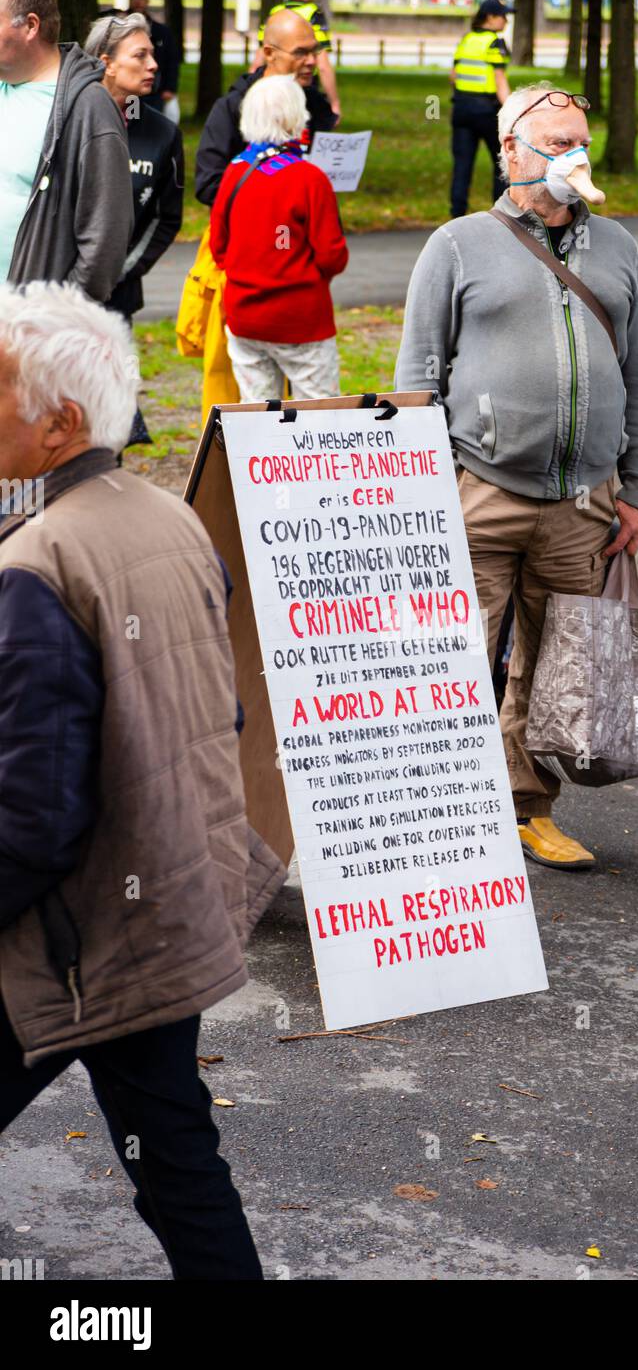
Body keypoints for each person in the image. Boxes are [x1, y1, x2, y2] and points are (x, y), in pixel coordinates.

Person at [0, 280, 286, 1279]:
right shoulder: (166, 517)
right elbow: (216, 712)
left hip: (74, 942)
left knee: (174, 1160)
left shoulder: (38, 560)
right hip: (171, 904)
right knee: (176, 1162)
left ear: (57, 423)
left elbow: (32, 819)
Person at [395, 82, 638, 872]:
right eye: (553, 142)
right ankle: (433, 810)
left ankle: (528, 807)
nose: (570, 156)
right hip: (477, 487)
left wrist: (637, 490)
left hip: (582, 501)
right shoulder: (456, 244)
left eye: (579, 140)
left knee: (553, 669)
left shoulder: (616, 245)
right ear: (509, 151)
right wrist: (424, 483)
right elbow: (418, 374)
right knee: (457, 656)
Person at [210, 74, 347, 402]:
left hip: (245, 319)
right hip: (301, 320)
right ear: (295, 117)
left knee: (257, 416)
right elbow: (332, 255)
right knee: (318, 419)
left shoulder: (235, 171)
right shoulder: (309, 178)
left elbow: (219, 247)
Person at [84, 13, 184, 445]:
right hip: (51, 295)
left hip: (116, 297)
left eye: (153, 55)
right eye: (140, 55)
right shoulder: (68, 118)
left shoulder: (162, 133)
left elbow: (166, 217)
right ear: (106, 61)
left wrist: (117, 271)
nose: (153, 65)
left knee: (111, 416)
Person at [0, 0, 131, 300]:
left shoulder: (89, 107)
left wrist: (56, 318)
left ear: (30, 26)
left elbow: (104, 239)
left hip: (29, 331)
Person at [195, 7, 336, 207]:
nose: (312, 61)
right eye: (300, 53)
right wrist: (275, 198)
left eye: (314, 51)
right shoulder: (233, 107)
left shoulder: (316, 106)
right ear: (269, 53)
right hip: (250, 233)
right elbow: (209, 186)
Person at [450, 0, 512, 219]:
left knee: (462, 165)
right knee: (501, 163)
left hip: (461, 109)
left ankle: (456, 215)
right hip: (487, 111)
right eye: (503, 16)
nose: (506, 20)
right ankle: (501, 215)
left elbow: (453, 76)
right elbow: (500, 81)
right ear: (490, 18)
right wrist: (513, 111)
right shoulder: (496, 42)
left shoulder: (466, 40)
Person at [257, 0, 340, 124]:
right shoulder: (313, 14)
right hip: (304, 91)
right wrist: (334, 104)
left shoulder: (275, 13)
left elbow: (259, 60)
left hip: (274, 91)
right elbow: (323, 65)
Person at [127, 0, 180, 122]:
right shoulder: (121, 30)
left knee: (152, 125)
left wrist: (170, 87)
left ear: (147, 1)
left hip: (154, 92)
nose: (138, 1)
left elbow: (171, 61)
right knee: (131, 125)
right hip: (129, 91)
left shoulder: (161, 32)